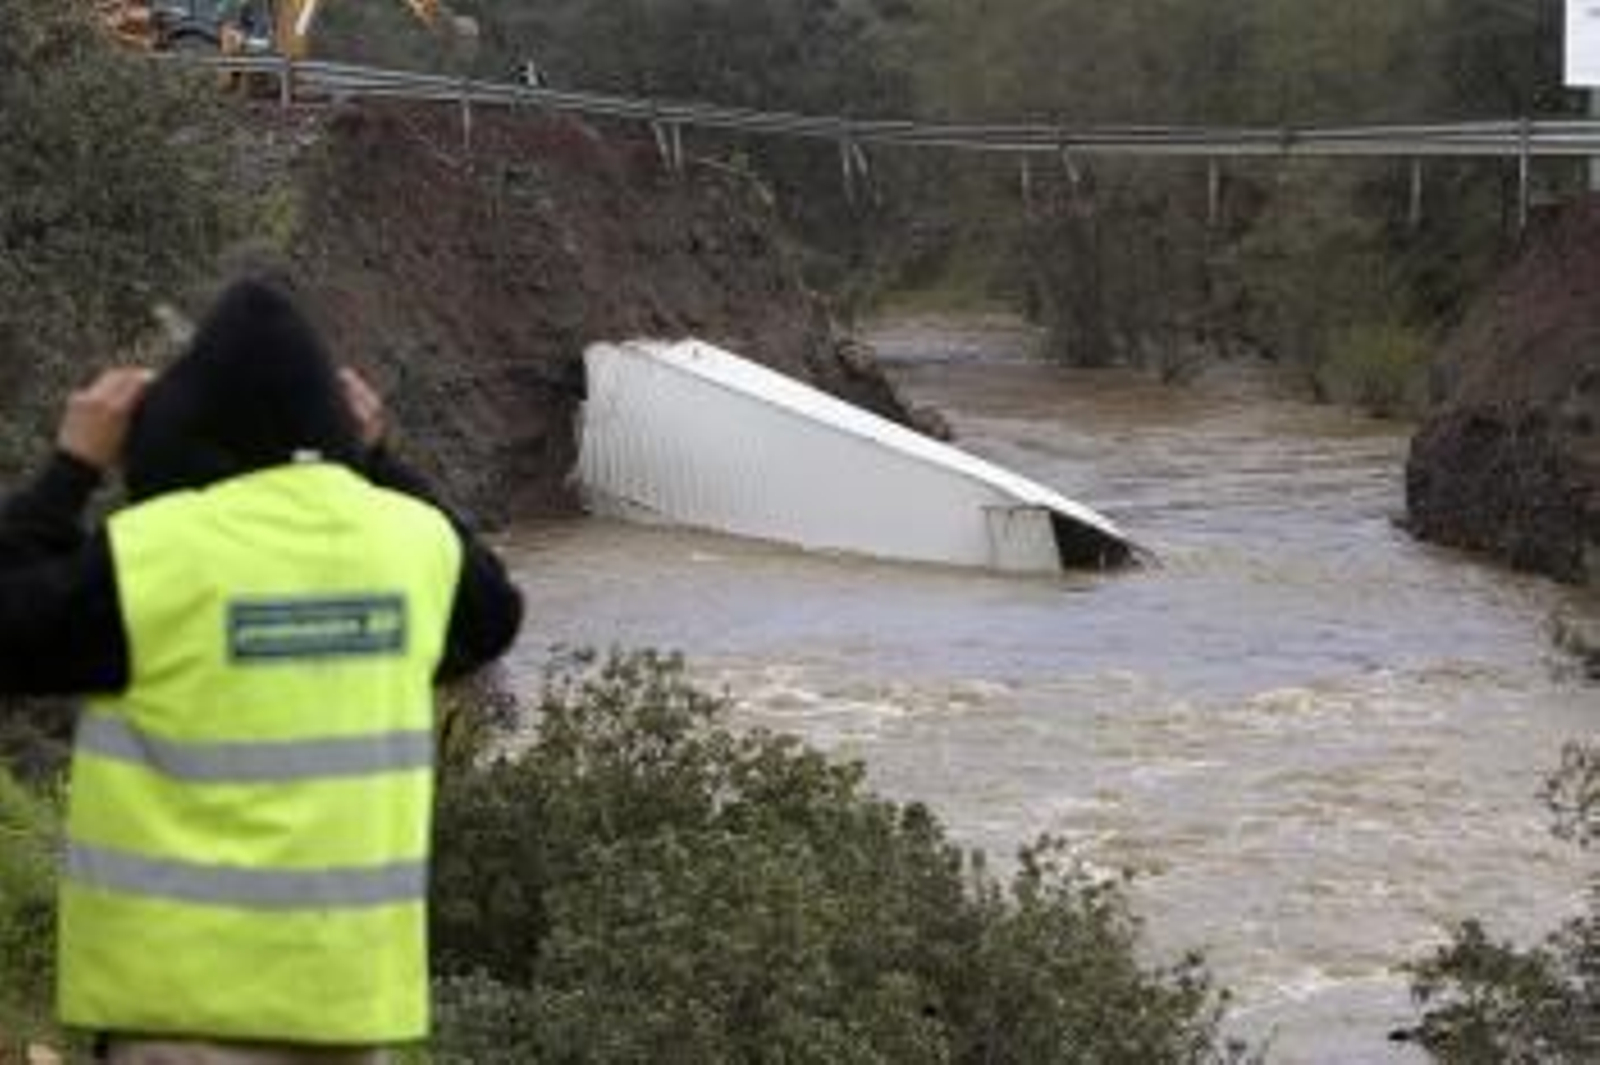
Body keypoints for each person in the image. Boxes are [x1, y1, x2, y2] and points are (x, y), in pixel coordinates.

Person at [0, 276, 524, 1064]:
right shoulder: (409, 546)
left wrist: (70, 469)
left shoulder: (155, 555)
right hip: (345, 1019)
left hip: (179, 1021)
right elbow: (494, 616)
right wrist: (379, 460)